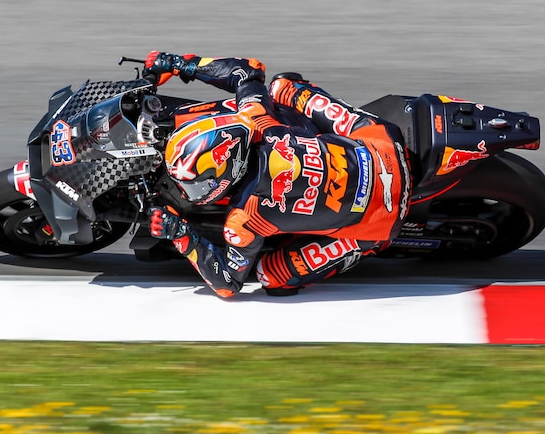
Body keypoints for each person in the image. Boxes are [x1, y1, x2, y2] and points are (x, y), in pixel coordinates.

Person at [143, 51, 412, 298]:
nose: (186, 191)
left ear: (226, 174)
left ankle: (366, 243)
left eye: (195, 185)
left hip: (382, 222)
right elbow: (249, 69)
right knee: (281, 88)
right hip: (385, 144)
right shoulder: (258, 119)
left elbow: (227, 284)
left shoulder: (244, 219)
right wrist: (180, 64)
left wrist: (181, 235)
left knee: (271, 276)